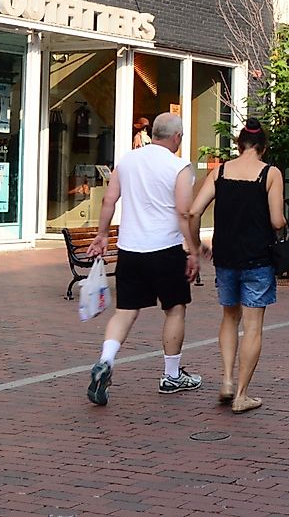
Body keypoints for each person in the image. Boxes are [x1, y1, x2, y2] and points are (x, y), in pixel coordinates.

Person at [85, 112, 202, 407]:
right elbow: (183, 212)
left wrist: (101, 236)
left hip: (131, 249)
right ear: (176, 137)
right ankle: (171, 375)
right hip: (166, 248)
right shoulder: (179, 167)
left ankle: (106, 360)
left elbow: (108, 200)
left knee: (125, 311)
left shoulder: (127, 161)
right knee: (175, 308)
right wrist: (192, 249)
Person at [188, 118, 286, 414]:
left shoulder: (219, 172)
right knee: (253, 326)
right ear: (263, 147)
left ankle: (228, 380)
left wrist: (196, 246)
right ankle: (242, 395)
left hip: (225, 257)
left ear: (238, 145)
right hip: (258, 258)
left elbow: (193, 212)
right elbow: (276, 221)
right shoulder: (270, 173)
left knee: (229, 318)